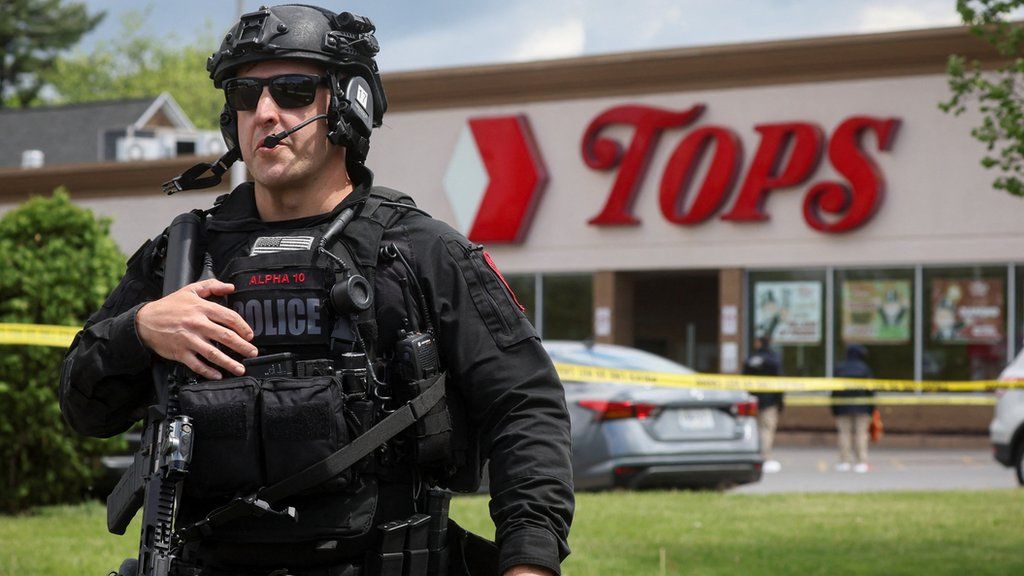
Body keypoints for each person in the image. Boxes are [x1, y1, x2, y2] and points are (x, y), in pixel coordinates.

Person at [58, 5, 572, 576]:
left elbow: (525, 406)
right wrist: (140, 331)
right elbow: (83, 410)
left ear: (348, 104)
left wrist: (530, 558)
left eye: (295, 91)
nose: (266, 114)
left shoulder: (419, 251)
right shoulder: (179, 259)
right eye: (246, 95)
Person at [742, 336, 784, 473]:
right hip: (769, 400)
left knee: (753, 428)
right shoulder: (773, 359)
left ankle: (753, 455)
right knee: (767, 429)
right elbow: (779, 379)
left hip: (752, 399)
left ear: (759, 343)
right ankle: (765, 457)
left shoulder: (751, 359)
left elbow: (743, 378)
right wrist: (780, 401)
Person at [831, 344, 875, 473]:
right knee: (861, 434)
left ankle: (845, 462)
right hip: (862, 407)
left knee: (844, 434)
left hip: (842, 406)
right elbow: (870, 390)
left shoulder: (840, 368)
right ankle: (861, 462)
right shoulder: (864, 368)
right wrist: (871, 407)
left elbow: (835, 390)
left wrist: (834, 406)